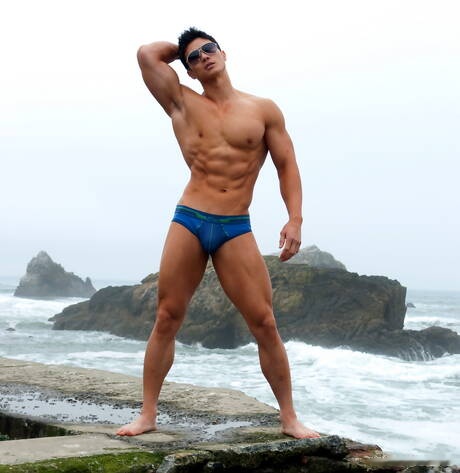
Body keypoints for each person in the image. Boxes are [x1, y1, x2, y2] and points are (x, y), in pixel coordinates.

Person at [116, 27, 320, 439]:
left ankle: (289, 418)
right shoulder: (181, 102)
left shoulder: (263, 110)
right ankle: (147, 414)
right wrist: (182, 48)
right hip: (190, 219)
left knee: (264, 322)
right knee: (167, 316)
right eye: (194, 57)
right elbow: (146, 54)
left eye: (209, 49)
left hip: (234, 226)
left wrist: (295, 218)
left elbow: (286, 164)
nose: (204, 56)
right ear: (188, 70)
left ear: (224, 53)